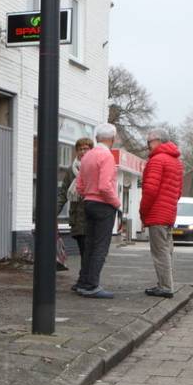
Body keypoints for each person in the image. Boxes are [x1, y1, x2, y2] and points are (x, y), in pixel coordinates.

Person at [73, 124, 122, 298]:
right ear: (112, 138)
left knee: (89, 245)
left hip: (88, 203)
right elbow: (105, 186)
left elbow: (79, 186)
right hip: (103, 205)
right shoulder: (107, 156)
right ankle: (92, 285)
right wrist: (117, 204)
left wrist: (88, 194)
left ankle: (83, 283)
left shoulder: (87, 156)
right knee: (101, 246)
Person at [138, 127, 185, 298]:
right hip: (169, 214)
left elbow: (149, 190)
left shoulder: (157, 160)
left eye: (149, 142)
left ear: (158, 141)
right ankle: (165, 284)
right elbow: (178, 192)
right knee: (167, 250)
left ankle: (166, 287)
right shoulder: (176, 162)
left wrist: (143, 213)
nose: (147, 145)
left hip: (157, 214)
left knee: (160, 252)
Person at [56, 137, 94, 274]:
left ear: (91, 150)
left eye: (86, 149)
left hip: (90, 217)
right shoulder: (71, 171)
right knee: (83, 250)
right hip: (77, 218)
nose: (82, 152)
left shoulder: (94, 168)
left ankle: (85, 279)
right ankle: (85, 279)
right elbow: (63, 193)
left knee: (89, 252)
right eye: (80, 149)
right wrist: (54, 212)